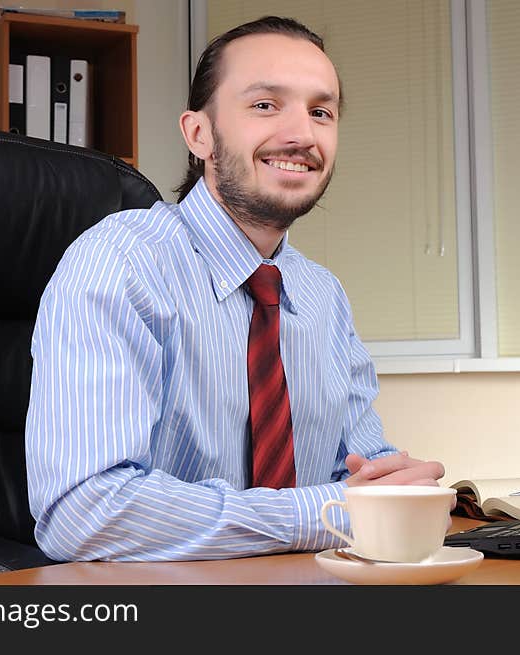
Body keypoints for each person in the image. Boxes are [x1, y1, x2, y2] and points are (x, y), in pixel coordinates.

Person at [25, 15, 447, 562]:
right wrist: (334, 512)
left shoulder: (322, 295)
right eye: (266, 105)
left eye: (321, 112)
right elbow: (84, 513)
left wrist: (402, 489)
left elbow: (359, 473)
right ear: (199, 134)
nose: (302, 134)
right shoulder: (120, 263)